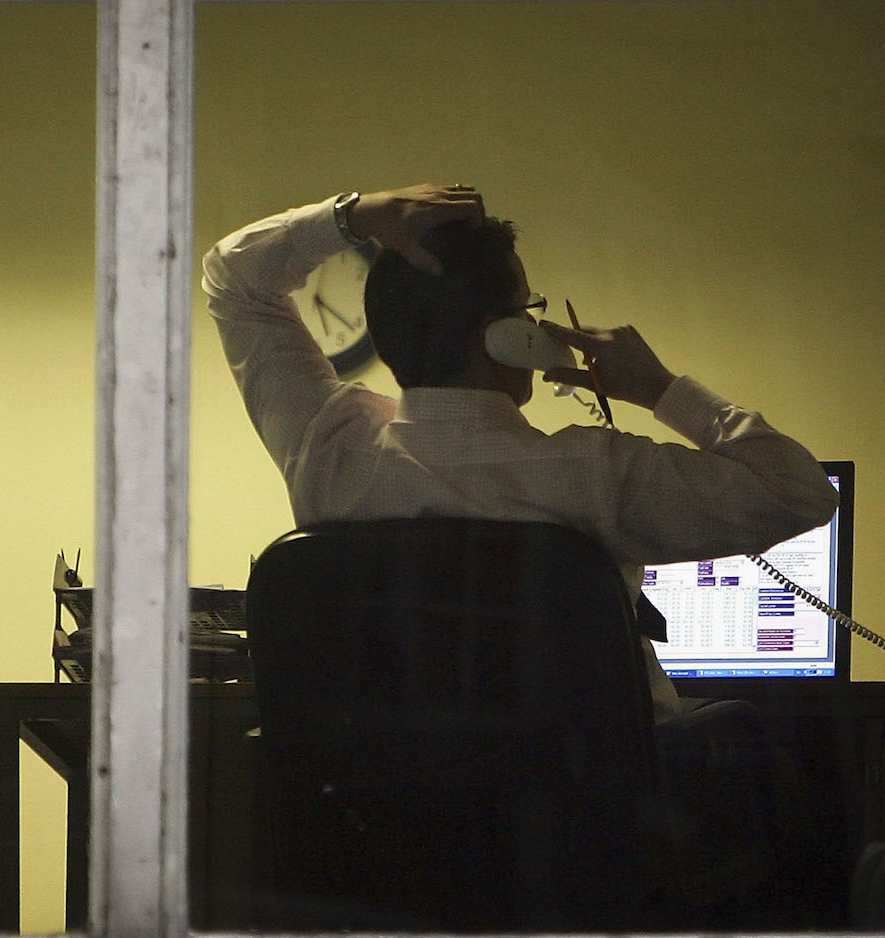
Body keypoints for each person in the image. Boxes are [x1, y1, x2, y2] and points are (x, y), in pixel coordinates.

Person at [203, 184, 838, 722]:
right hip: (584, 840)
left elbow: (233, 278)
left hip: (395, 840)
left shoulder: (328, 450)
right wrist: (658, 388)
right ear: (505, 336)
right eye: (528, 309)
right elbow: (798, 491)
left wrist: (357, 214)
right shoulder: (596, 474)